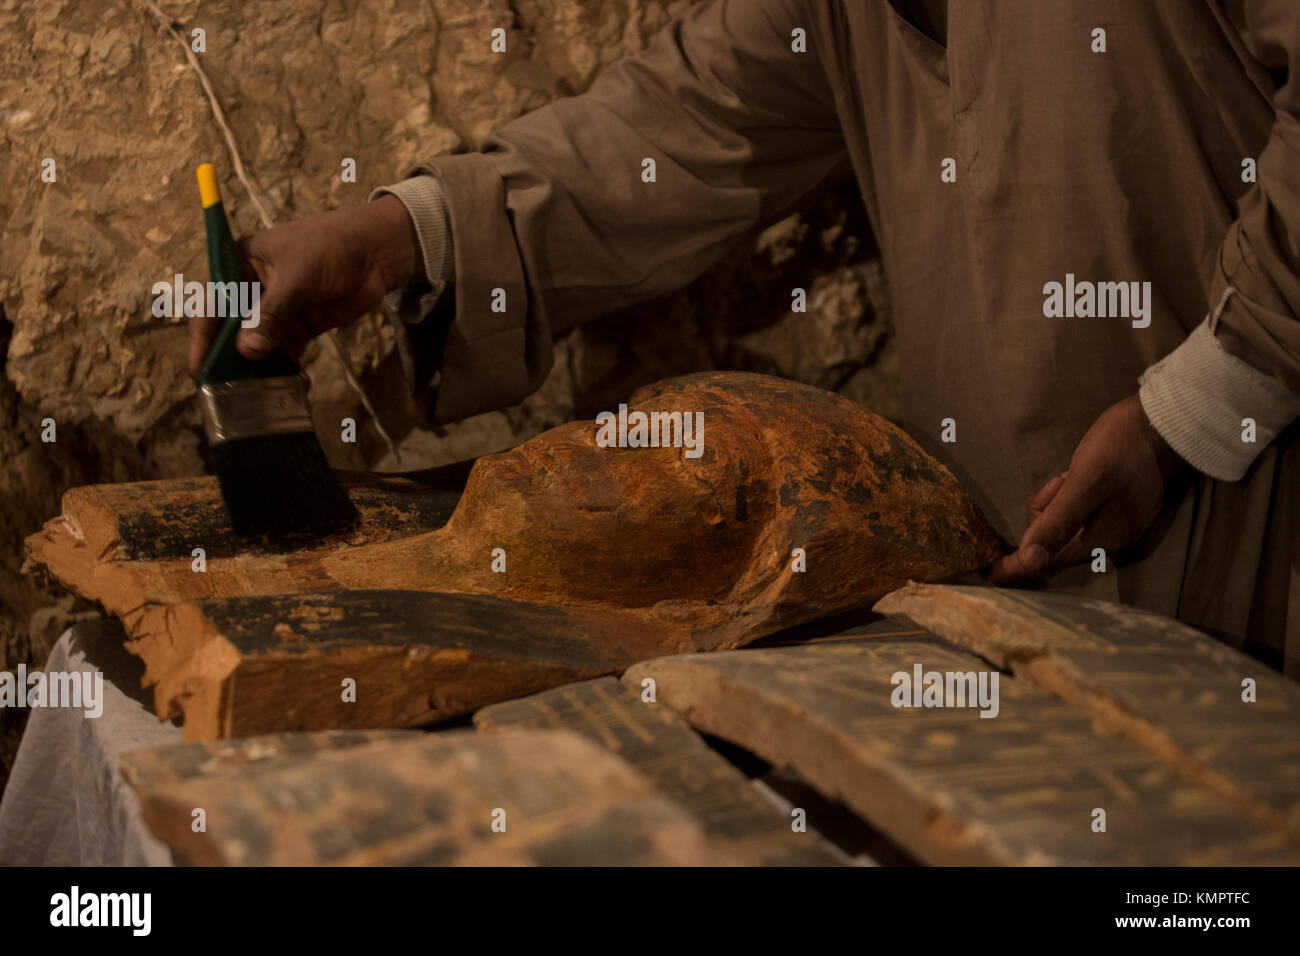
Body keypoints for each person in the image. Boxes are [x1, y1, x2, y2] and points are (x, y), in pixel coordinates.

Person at [189, 0, 1300, 675]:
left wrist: (1192, 410)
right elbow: (683, 120)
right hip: (1028, 587)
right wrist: (395, 237)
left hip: (1254, 523)